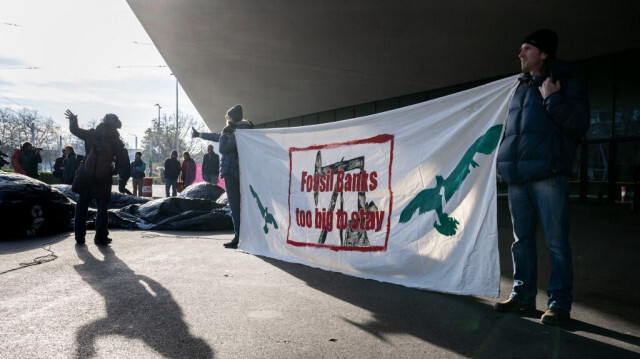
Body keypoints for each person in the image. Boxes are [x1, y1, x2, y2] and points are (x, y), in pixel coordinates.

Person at [494, 29, 590, 325]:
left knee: (556, 242)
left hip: (548, 175)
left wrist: (553, 98)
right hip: (518, 178)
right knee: (520, 240)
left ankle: (559, 304)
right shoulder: (518, 87)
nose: (520, 54)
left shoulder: (565, 82)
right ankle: (522, 296)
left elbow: (578, 126)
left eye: (526, 49)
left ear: (544, 53)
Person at [192, 104, 254, 249]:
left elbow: (224, 147)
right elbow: (216, 136)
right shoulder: (239, 130)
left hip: (232, 171)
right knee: (245, 205)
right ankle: (244, 236)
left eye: (228, 117)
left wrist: (225, 135)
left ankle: (238, 237)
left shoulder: (235, 131)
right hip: (242, 171)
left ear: (232, 118)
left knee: (235, 206)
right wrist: (199, 134)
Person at [65, 109, 128, 245]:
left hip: (86, 176)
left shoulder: (91, 134)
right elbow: (122, 161)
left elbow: (75, 130)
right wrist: (112, 171)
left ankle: (79, 236)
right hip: (103, 179)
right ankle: (100, 237)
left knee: (82, 205)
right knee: (102, 209)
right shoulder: (116, 142)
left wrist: (73, 119)